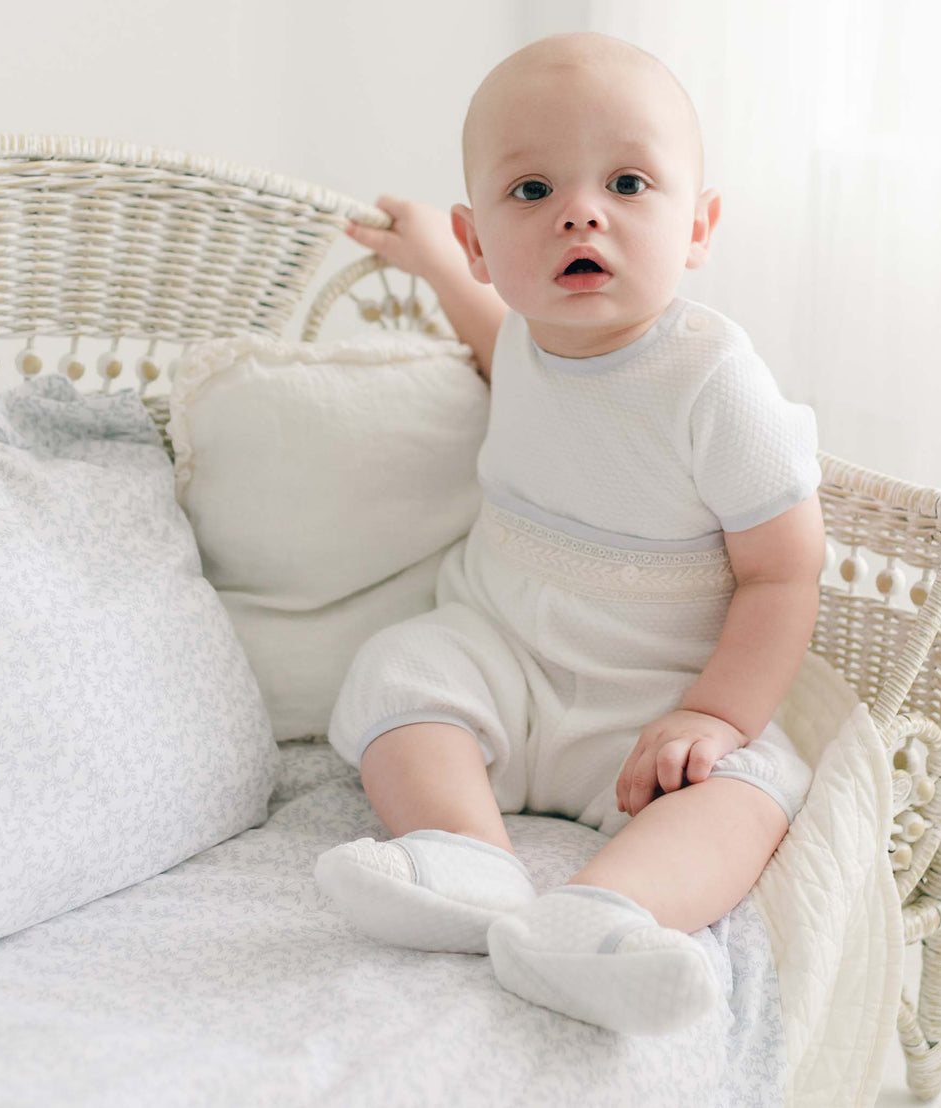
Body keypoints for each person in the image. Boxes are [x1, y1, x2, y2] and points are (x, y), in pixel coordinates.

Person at [315, 31, 827, 1036]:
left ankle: (602, 918)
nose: (580, 212)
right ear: (477, 242)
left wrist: (714, 718)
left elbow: (783, 572)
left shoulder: (714, 381)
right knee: (396, 668)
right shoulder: (527, 338)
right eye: (531, 192)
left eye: (629, 183)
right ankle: (468, 859)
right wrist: (426, 262)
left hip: (650, 716)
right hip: (501, 660)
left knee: (753, 788)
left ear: (698, 226)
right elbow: (490, 334)